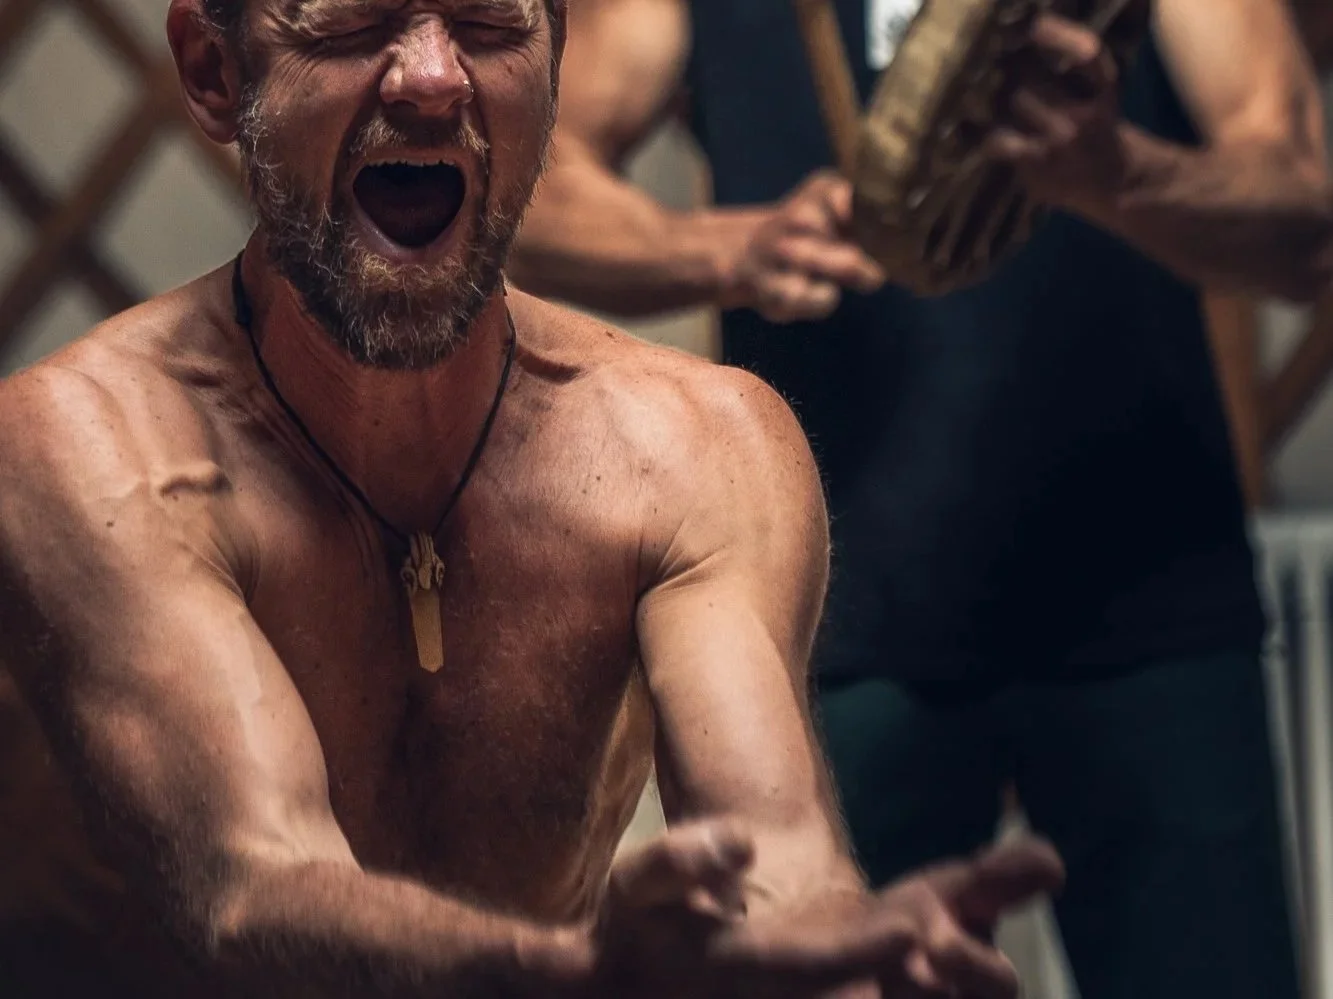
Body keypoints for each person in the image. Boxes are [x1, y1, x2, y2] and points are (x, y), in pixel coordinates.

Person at [0, 0, 1070, 996]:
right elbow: (254, 885)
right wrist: (570, 972)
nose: (432, 78)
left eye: (488, 24)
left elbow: (780, 865)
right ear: (212, 69)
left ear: (556, 66)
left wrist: (843, 961)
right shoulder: (94, 442)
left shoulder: (692, 448)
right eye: (356, 22)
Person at [509, 1, 1333, 997]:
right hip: (841, 619)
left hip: (1151, 596)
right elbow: (537, 184)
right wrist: (726, 249)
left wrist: (1117, 172)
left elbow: (1302, 215)